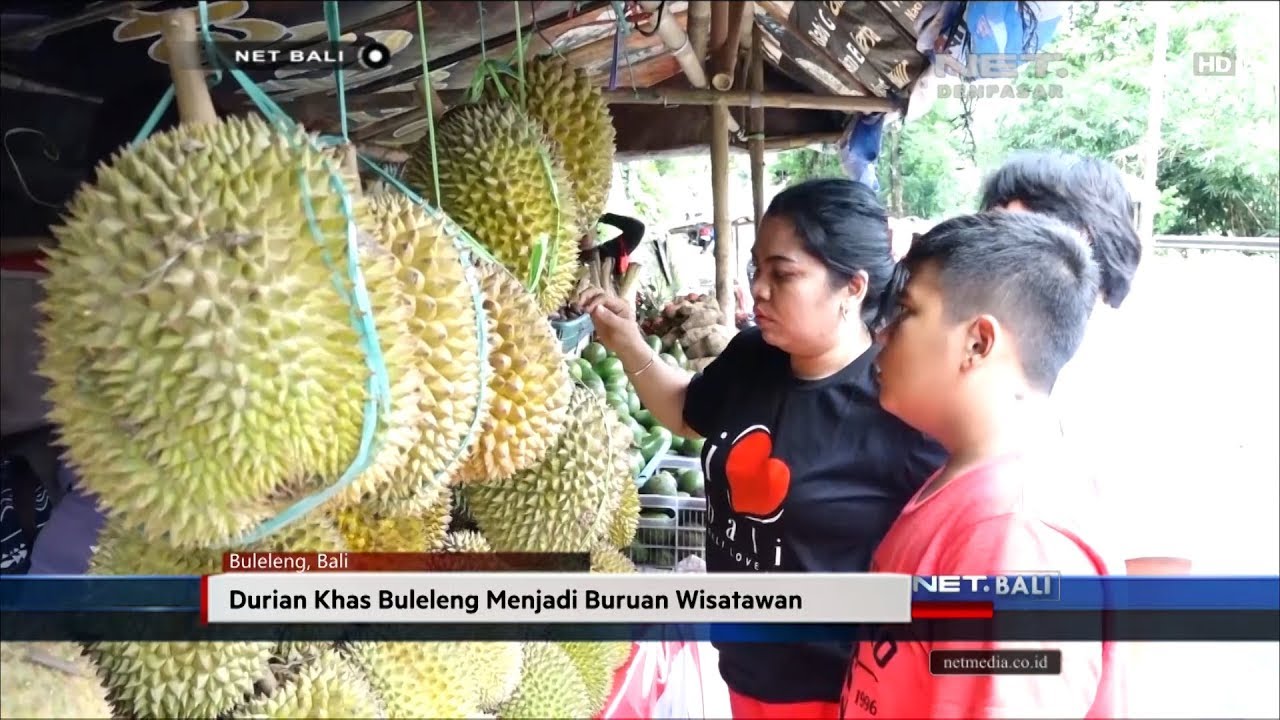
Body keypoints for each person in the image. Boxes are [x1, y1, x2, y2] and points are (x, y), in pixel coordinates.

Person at [580, 178, 947, 718]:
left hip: (837, 690)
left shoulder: (894, 405)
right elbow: (685, 412)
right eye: (758, 269)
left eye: (785, 273)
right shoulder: (754, 354)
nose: (760, 289)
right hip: (744, 663)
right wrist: (628, 342)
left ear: (853, 287)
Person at [840, 211, 1123, 719]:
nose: (881, 334)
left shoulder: (1016, 540)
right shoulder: (973, 487)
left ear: (978, 342)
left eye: (905, 311)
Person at [977, 150, 1189, 576]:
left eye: (1010, 232)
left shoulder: (1126, 381)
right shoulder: (1002, 356)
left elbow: (1156, 582)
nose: (983, 255)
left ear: (1082, 239)